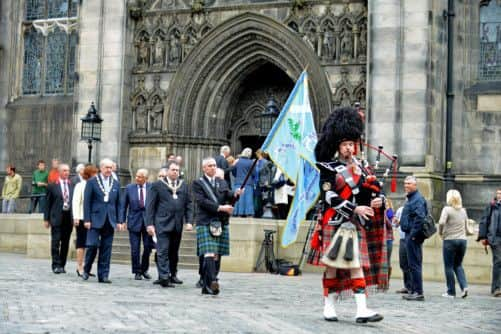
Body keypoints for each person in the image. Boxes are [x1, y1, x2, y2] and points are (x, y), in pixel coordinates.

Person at [306, 107, 386, 323]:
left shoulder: (362, 168)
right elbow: (328, 196)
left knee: (355, 264)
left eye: (352, 144)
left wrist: (378, 201)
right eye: (345, 145)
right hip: (335, 221)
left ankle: (362, 310)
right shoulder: (328, 168)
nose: (349, 148)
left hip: (355, 224)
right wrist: (354, 209)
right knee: (333, 266)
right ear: (338, 147)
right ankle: (329, 306)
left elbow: (371, 192)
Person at [192, 157, 242, 295]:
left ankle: (208, 285)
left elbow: (229, 195)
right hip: (206, 221)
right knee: (208, 252)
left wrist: (236, 194)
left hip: (220, 222)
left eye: (214, 165)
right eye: (210, 166)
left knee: (217, 254)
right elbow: (202, 202)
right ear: (204, 168)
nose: (213, 167)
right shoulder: (198, 183)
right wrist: (221, 208)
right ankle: (211, 280)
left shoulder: (222, 182)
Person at [146, 161, 193, 287]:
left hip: (177, 224)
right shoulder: (157, 185)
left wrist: (189, 221)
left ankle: (173, 274)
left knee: (174, 251)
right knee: (162, 250)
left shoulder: (183, 186)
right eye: (173, 170)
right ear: (167, 171)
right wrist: (149, 224)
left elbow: (189, 204)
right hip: (162, 223)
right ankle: (164, 277)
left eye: (177, 170)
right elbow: (150, 206)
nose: (175, 172)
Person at [82, 158, 125, 283]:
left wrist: (120, 220)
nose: (109, 170)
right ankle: (86, 269)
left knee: (106, 249)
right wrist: (87, 219)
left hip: (110, 219)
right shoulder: (92, 182)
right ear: (101, 168)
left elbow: (119, 204)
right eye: (106, 167)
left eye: (111, 168)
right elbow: (87, 202)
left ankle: (104, 274)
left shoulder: (116, 183)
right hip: (95, 219)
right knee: (92, 245)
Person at [120, 168, 153, 280]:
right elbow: (123, 205)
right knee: (135, 248)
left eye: (140, 177)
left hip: (148, 223)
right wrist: (122, 220)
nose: (137, 178)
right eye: (136, 176)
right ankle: (137, 271)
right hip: (134, 221)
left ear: (146, 178)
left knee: (148, 247)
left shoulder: (151, 188)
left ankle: (144, 269)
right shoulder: (129, 188)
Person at [400, 175, 427, 301]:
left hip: (413, 236)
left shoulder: (417, 199)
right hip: (409, 235)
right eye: (405, 183)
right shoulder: (411, 198)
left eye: (409, 183)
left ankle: (418, 292)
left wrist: (413, 235)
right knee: (411, 264)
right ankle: (414, 290)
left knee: (415, 265)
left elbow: (420, 218)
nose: (406, 185)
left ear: (415, 185)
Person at [438, 189, 469, 298]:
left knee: (449, 266)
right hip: (462, 241)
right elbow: (466, 227)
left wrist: (440, 232)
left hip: (450, 240)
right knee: (458, 265)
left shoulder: (447, 209)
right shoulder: (463, 211)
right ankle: (464, 287)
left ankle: (451, 292)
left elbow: (441, 222)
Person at [44, 164, 73, 274]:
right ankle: (55, 265)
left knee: (65, 243)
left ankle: (62, 264)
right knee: (56, 242)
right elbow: (47, 204)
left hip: (68, 217)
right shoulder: (52, 186)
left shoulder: (72, 185)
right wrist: (46, 219)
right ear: (60, 172)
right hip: (56, 217)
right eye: (64, 170)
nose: (67, 172)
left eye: (68, 171)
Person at [72, 164, 98, 277]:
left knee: (91, 244)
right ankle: (80, 266)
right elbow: (76, 202)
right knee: (81, 243)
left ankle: (87, 267)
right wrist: (76, 217)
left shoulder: (96, 185)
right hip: (82, 218)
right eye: (94, 173)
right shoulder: (80, 185)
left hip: (93, 218)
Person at [478, 188, 501, 297]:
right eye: (498, 193)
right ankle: (496, 288)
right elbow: (484, 220)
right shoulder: (491, 206)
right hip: (495, 238)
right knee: (498, 261)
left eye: (500, 194)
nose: (499, 195)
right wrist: (483, 236)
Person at [232, 148, 255, 217]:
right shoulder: (251, 162)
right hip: (248, 183)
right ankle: (248, 212)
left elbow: (233, 171)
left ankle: (237, 212)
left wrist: (237, 176)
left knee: (239, 198)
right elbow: (254, 173)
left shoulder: (237, 161)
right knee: (248, 198)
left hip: (238, 182)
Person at [393, 206, 412, 294]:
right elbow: (395, 224)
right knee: (403, 263)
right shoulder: (400, 209)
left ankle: (412, 287)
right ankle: (407, 286)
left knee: (411, 264)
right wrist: (396, 222)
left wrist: (400, 222)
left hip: (411, 239)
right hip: (402, 238)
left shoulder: (414, 208)